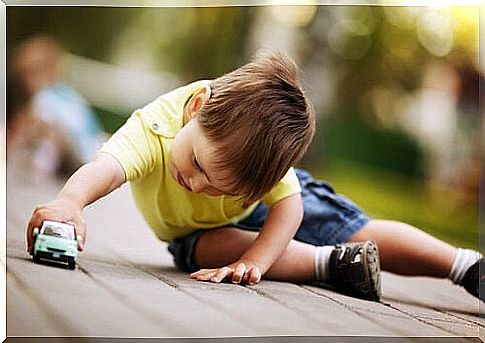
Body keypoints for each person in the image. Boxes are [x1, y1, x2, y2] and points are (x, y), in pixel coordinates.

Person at [26, 52, 482, 302]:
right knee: (209, 249)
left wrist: (261, 261)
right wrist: (70, 203)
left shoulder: (259, 166)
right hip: (203, 235)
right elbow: (106, 169)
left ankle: (464, 266)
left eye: (221, 186)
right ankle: (335, 264)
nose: (200, 186)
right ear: (198, 110)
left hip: (269, 210)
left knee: (358, 228)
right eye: (201, 167)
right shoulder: (157, 127)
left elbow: (290, 204)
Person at [8, 35, 104, 178]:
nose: (25, 84)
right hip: (94, 153)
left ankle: (42, 167)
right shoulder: (66, 93)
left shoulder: (45, 96)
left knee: (46, 129)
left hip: (81, 152)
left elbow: (41, 127)